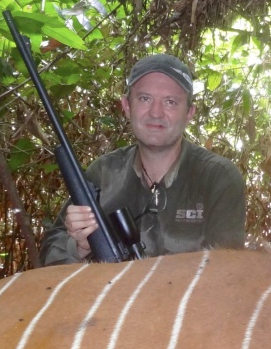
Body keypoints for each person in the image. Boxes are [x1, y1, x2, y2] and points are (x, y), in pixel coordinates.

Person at [40, 54, 246, 264]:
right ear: (127, 106)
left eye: (170, 102)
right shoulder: (103, 173)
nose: (156, 113)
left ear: (189, 113)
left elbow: (226, 272)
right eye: (145, 99)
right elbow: (49, 252)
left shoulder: (218, 178)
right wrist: (79, 246)